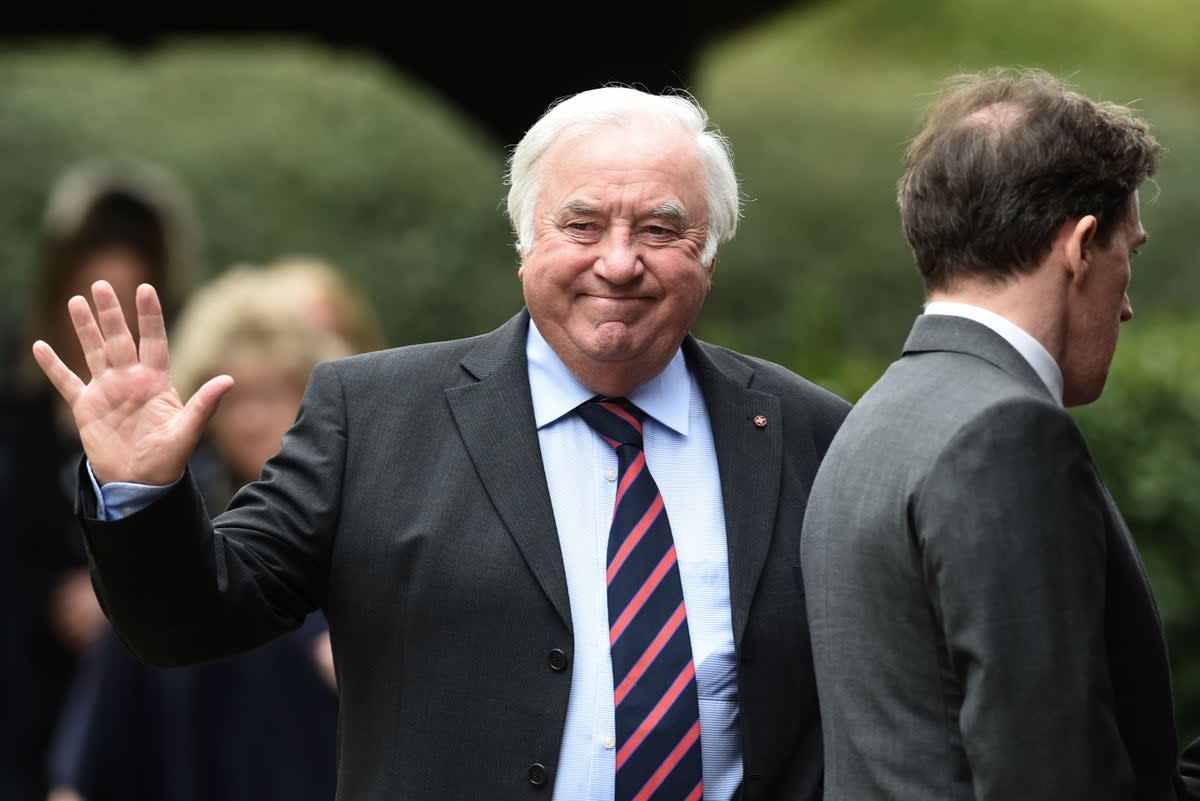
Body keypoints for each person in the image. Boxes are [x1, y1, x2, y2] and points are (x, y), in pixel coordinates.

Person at [31, 86, 849, 800]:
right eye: (583, 222)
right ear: (526, 237)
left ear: (709, 252)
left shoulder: (804, 433)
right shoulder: (377, 415)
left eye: (662, 229)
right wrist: (139, 493)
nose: (619, 259)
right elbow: (192, 620)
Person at [800, 67, 1188, 800]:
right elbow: (1052, 776)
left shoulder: (872, 420)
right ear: (1078, 248)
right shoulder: (1006, 435)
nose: (1127, 302)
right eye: (1126, 256)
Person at [44, 263, 365, 801]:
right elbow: (99, 740)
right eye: (233, 398)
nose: (251, 419)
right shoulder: (176, 537)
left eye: (273, 393)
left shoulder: (363, 523)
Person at [0, 158, 197, 801]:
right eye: (90, 299)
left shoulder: (184, 428)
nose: (105, 327)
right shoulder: (17, 417)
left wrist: (112, 592)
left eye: (127, 302)